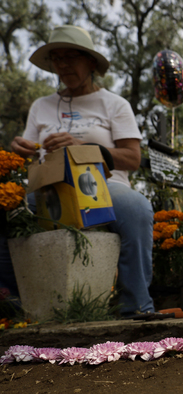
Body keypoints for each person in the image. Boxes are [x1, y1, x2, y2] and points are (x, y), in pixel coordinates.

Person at [7, 25, 154, 315]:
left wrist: (83, 147)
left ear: (91, 62)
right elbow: (31, 156)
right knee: (7, 211)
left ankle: (135, 307)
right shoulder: (41, 105)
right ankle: (13, 308)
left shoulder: (115, 104)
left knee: (136, 208)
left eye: (70, 56)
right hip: (48, 188)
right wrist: (20, 150)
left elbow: (132, 158)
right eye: (57, 59)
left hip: (98, 186)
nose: (62, 65)